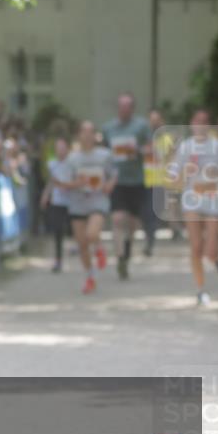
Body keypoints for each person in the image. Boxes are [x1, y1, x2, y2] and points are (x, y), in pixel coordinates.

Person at [168, 109, 218, 307]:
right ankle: (201, 289)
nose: (201, 125)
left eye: (204, 121)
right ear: (191, 124)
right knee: (197, 247)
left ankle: (217, 263)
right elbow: (173, 173)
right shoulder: (185, 147)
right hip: (192, 201)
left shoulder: (217, 146)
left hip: (214, 200)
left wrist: (214, 177)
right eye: (197, 121)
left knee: (211, 251)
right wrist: (178, 173)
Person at [101, 93, 152, 280]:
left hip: (137, 181)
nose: (123, 109)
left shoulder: (141, 126)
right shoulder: (108, 128)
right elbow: (103, 152)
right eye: (120, 106)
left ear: (132, 108)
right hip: (117, 181)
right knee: (117, 219)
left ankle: (127, 251)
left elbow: (151, 148)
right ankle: (120, 257)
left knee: (132, 224)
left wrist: (137, 150)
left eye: (127, 106)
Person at [66, 121, 116, 294]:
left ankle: (99, 247)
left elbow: (113, 174)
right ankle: (90, 277)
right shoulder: (72, 158)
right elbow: (66, 182)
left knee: (92, 234)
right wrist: (77, 183)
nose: (87, 136)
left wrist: (109, 184)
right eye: (84, 132)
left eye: (91, 132)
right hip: (78, 202)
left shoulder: (105, 155)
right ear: (78, 135)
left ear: (96, 135)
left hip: (98, 200)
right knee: (82, 244)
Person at [40, 137, 72, 273]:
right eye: (58, 148)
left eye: (63, 148)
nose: (60, 151)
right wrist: (45, 195)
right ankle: (58, 260)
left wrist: (67, 186)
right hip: (57, 201)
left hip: (72, 202)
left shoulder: (73, 164)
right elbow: (51, 182)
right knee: (58, 230)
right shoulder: (52, 164)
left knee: (73, 229)